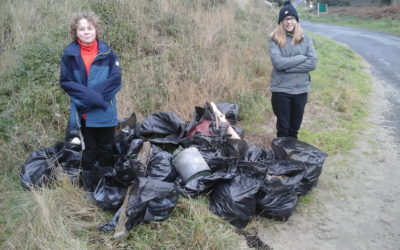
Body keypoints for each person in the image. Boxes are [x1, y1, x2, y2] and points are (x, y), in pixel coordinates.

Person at [59, 12, 122, 192]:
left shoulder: (108, 52)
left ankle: (105, 185)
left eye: (89, 28)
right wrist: (92, 99)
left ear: (96, 30)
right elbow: (66, 82)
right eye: (81, 29)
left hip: (105, 110)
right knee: (89, 149)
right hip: (84, 112)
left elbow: (115, 81)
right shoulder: (70, 54)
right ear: (75, 32)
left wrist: (93, 98)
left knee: (106, 147)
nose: (86, 32)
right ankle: (89, 187)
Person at [268, 1, 317, 138]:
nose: (288, 22)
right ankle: (282, 157)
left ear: (296, 20)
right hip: (281, 90)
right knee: (283, 129)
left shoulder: (306, 38)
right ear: (281, 22)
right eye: (285, 19)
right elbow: (278, 63)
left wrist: (288, 68)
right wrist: (301, 57)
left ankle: (291, 157)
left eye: (291, 19)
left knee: (294, 130)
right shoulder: (275, 39)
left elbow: (312, 63)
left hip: (301, 90)